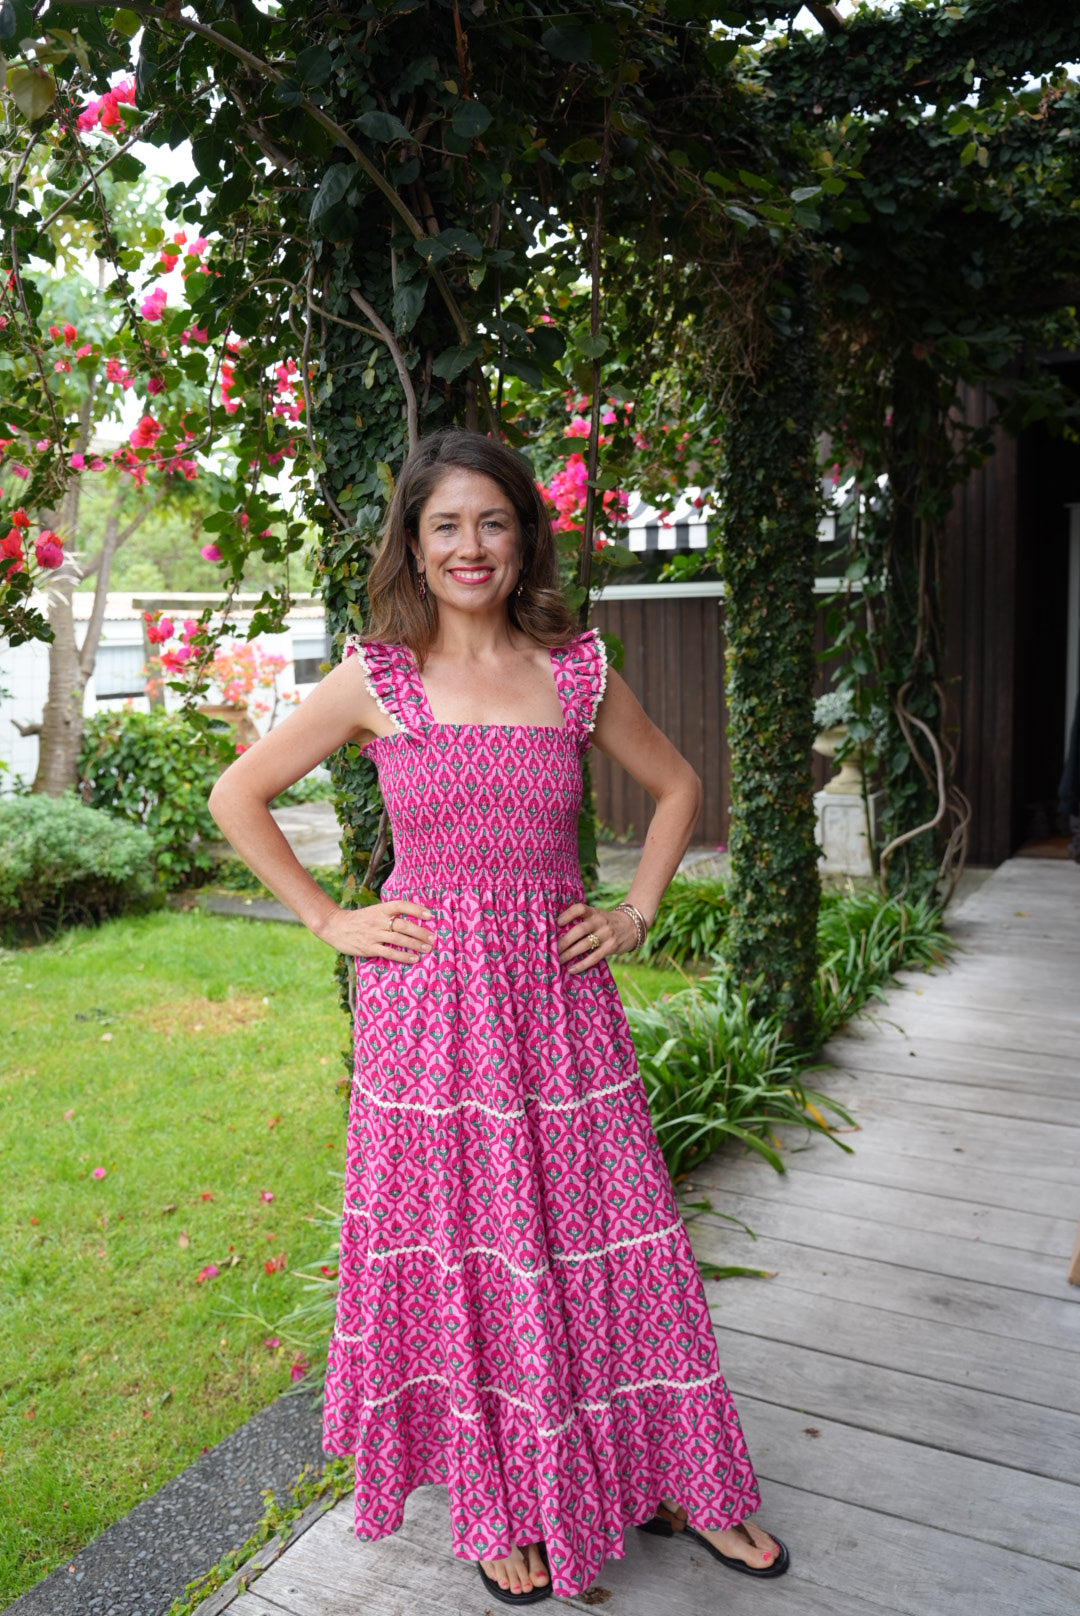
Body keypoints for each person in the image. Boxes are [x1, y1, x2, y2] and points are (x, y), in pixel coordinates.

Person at [208, 426, 788, 1604]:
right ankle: (495, 1493)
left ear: (523, 538)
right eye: (446, 526)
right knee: (472, 1252)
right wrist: (329, 918)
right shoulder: (378, 677)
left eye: (493, 521)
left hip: (562, 1002)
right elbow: (239, 792)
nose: (471, 545)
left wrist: (633, 911)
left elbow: (678, 788)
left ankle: (681, 1472)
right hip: (430, 1017)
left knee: (618, 1237)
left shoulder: (572, 669)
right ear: (414, 550)